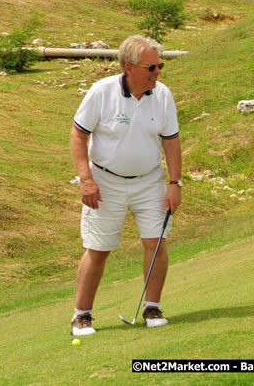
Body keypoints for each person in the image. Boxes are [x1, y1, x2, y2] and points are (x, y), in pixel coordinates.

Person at [69, 35, 182, 336]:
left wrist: (175, 183)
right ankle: (82, 316)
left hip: (150, 181)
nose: (158, 72)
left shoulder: (163, 95)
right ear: (130, 68)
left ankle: (152, 307)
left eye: (160, 65)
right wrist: (87, 180)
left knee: (155, 242)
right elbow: (78, 135)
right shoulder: (101, 92)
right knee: (99, 248)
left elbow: (171, 142)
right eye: (153, 67)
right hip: (105, 181)